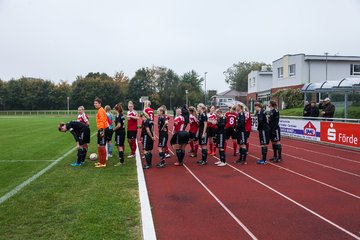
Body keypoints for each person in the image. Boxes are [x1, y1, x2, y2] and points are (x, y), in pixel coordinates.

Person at [94, 97, 110, 168]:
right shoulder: (100, 110)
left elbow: (103, 121)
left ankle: (103, 163)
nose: (95, 104)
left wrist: (101, 131)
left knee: (102, 146)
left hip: (102, 129)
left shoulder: (101, 110)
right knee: (99, 146)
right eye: (94, 103)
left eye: (96, 103)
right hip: (101, 129)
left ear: (100, 104)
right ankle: (100, 161)